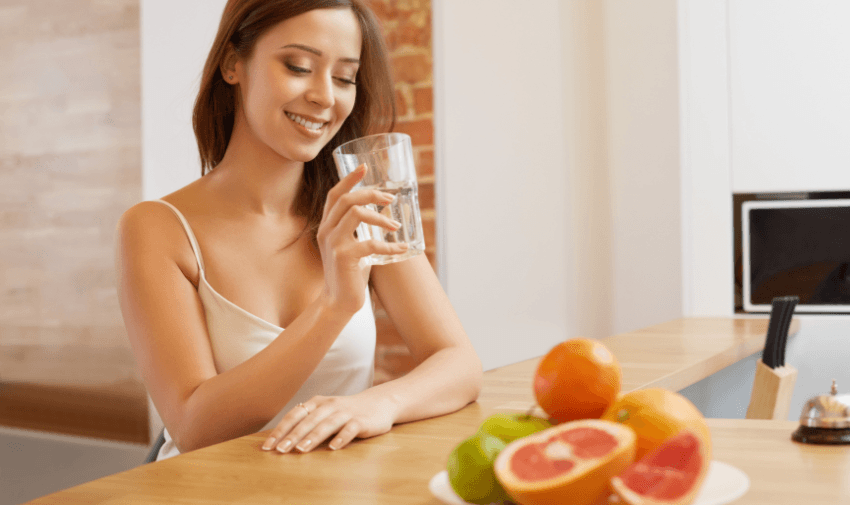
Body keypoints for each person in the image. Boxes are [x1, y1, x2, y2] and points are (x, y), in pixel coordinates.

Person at [115, 0, 481, 461]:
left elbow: (459, 364)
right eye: (299, 66)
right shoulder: (157, 229)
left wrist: (377, 404)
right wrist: (334, 306)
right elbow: (194, 426)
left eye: (345, 77)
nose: (325, 96)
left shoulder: (360, 206)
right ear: (233, 63)